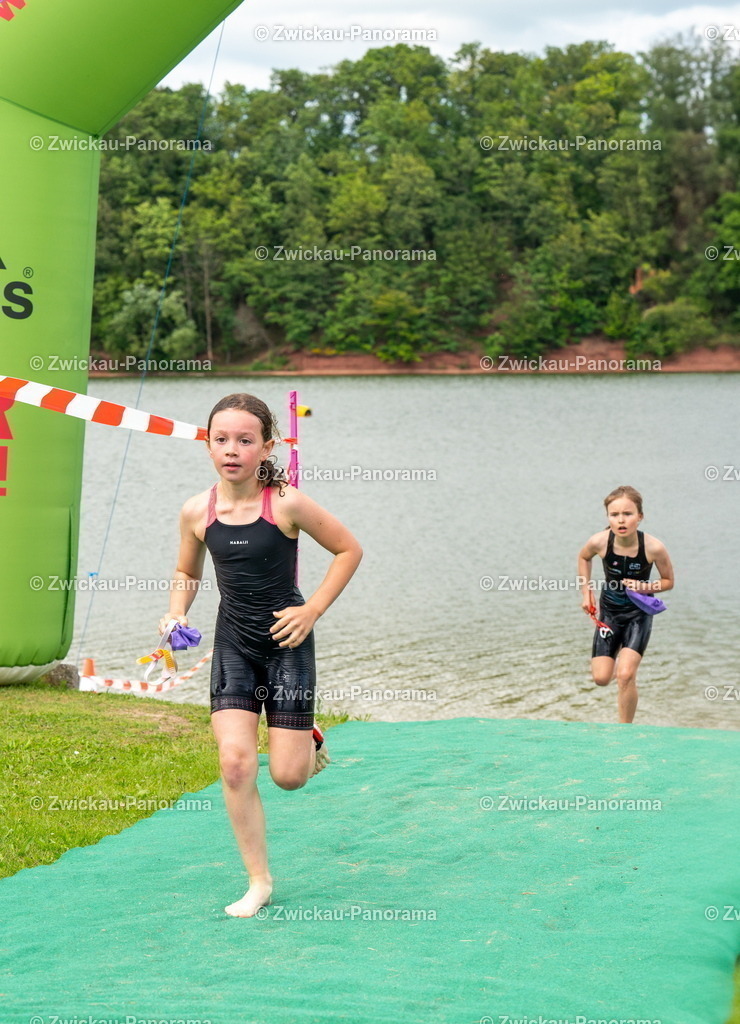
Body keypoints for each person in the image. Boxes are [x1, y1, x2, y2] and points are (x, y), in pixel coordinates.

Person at [160, 393, 362, 917]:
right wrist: (176, 612)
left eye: (245, 440)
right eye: (221, 439)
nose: (232, 450)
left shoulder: (287, 503)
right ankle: (259, 881)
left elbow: (349, 549)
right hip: (234, 645)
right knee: (234, 764)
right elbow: (187, 572)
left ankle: (308, 738)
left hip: (287, 641)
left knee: (289, 777)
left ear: (266, 446)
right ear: (208, 446)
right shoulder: (196, 512)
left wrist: (312, 609)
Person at [577, 485, 673, 723]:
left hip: (638, 615)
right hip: (609, 613)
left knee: (626, 675)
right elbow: (583, 557)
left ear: (639, 516)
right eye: (614, 514)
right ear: (608, 517)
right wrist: (586, 593)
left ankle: (625, 731)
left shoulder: (653, 547)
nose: (621, 520)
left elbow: (668, 581)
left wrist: (645, 587)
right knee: (601, 678)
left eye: (627, 514)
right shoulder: (599, 541)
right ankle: (621, 652)